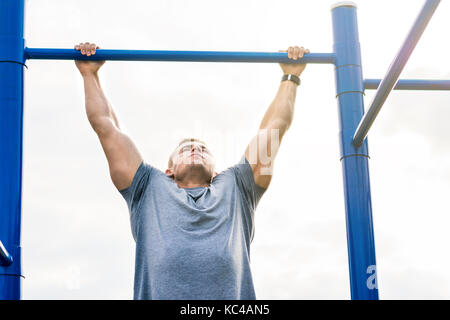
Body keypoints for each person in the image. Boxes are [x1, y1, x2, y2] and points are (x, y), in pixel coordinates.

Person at [74, 42, 309, 300]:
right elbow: (107, 127)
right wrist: (89, 74)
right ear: (169, 171)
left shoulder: (236, 187)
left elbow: (272, 130)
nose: (195, 148)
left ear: (216, 171)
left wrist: (291, 76)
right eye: (185, 148)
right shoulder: (148, 188)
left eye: (203, 148)